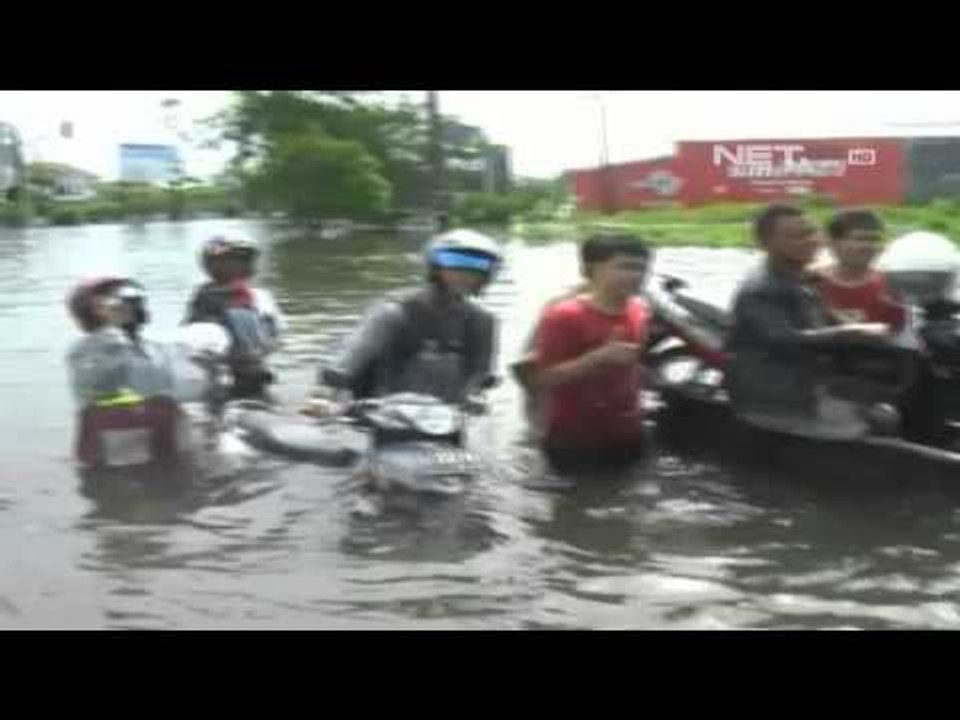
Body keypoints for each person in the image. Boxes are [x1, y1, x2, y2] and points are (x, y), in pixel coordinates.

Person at [725, 204, 895, 441]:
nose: (813, 241)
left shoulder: (801, 277)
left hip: (805, 376)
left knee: (898, 391)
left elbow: (819, 321)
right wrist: (850, 331)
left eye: (813, 233)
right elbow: (784, 340)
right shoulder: (761, 289)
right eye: (798, 236)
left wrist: (851, 325)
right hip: (775, 392)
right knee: (885, 418)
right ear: (765, 244)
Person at [304, 229, 502, 415]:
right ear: (435, 266)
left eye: (477, 267)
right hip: (383, 415)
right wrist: (323, 396)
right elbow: (350, 359)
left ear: (487, 275)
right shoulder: (393, 312)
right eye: (454, 262)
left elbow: (480, 375)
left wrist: (475, 397)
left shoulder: (483, 322)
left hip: (445, 420)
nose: (464, 274)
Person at [532, 234, 653, 472]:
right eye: (625, 267)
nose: (636, 275)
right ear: (592, 268)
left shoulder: (639, 311)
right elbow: (540, 380)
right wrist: (596, 359)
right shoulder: (563, 316)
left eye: (642, 268)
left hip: (627, 433)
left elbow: (633, 368)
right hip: (575, 439)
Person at [66, 277, 183, 468]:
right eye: (119, 304)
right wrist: (112, 334)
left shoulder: (155, 349)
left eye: (135, 303)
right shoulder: (84, 350)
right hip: (109, 441)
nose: (130, 309)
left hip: (157, 436)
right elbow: (94, 381)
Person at [184, 235, 285, 401]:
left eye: (247, 259)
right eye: (239, 259)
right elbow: (192, 345)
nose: (246, 264)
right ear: (214, 264)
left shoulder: (260, 297)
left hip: (257, 379)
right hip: (219, 382)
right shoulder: (204, 298)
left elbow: (276, 336)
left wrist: (260, 352)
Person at [812, 209, 906, 330]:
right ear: (832, 243)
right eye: (860, 239)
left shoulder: (893, 286)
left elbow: (899, 334)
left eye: (874, 239)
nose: (868, 246)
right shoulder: (811, 283)